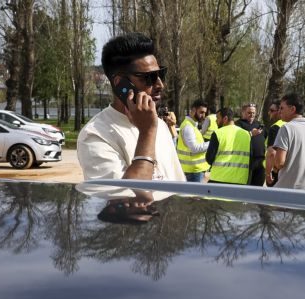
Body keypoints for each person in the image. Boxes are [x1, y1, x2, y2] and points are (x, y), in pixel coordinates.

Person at [77, 32, 185, 181]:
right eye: (149, 78)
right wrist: (147, 133)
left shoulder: (159, 125)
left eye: (161, 74)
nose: (160, 84)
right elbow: (126, 197)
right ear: (120, 84)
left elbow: (178, 183)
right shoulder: (95, 135)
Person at [266, 93, 305, 191]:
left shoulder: (286, 128)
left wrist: (273, 167)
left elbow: (280, 162)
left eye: (282, 108)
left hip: (288, 190)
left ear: (292, 109)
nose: (279, 112)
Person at [205, 107, 260, 185]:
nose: (216, 121)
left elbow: (209, 159)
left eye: (217, 118)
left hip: (219, 179)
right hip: (240, 180)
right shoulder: (246, 135)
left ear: (225, 118)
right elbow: (250, 159)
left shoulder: (218, 133)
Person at [177, 98, 210, 182]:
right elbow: (194, 148)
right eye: (201, 112)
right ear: (193, 110)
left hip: (195, 170)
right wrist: (211, 143)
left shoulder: (192, 125)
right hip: (193, 171)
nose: (203, 116)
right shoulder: (188, 127)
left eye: (205, 113)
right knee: (195, 195)